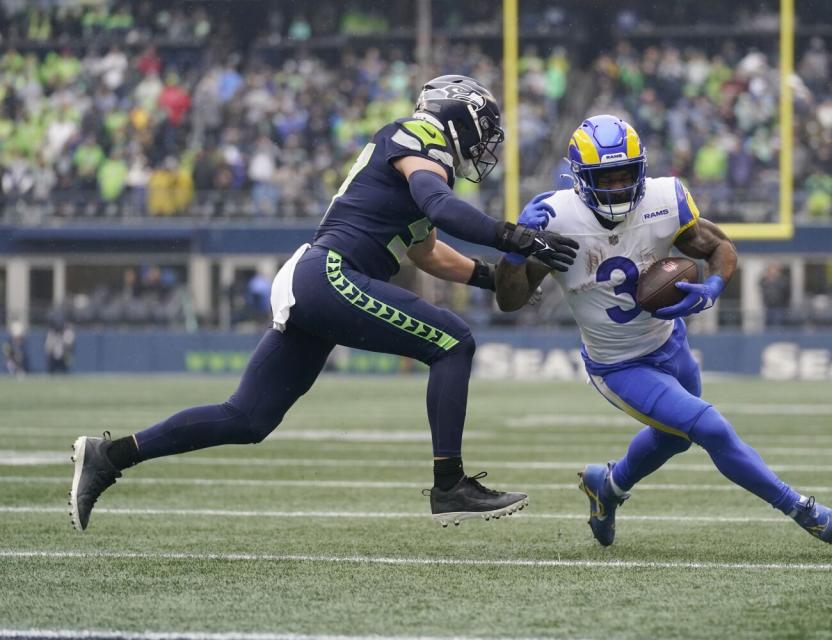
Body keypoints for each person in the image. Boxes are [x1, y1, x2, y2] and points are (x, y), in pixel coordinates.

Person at [69, 75, 579, 531]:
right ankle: (450, 484)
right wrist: (513, 237)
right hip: (331, 273)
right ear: (457, 115)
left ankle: (110, 455)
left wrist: (495, 280)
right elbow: (441, 207)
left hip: (318, 279)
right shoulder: (419, 135)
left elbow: (428, 252)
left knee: (247, 418)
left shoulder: (415, 166)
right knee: (454, 341)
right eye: (482, 127)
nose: (484, 143)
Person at [495, 114, 832, 546]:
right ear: (581, 179)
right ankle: (804, 510)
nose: (619, 185)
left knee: (675, 438)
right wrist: (515, 252)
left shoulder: (664, 199)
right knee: (709, 426)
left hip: (670, 342)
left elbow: (720, 247)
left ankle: (607, 486)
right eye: (606, 178)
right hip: (619, 365)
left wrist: (713, 287)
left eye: (627, 173)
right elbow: (509, 300)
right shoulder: (554, 219)